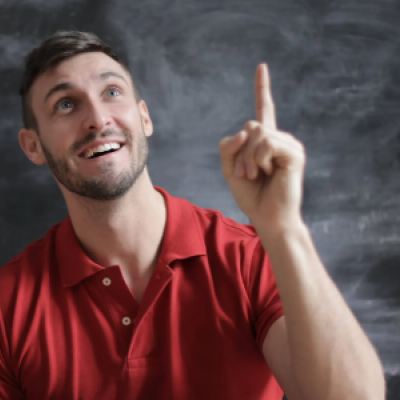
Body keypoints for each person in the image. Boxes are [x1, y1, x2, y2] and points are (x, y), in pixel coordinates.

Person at [0, 31, 384, 400]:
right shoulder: (7, 303)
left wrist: (284, 228)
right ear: (33, 146)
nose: (98, 120)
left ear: (144, 118)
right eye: (66, 104)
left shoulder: (254, 258)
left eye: (112, 92)